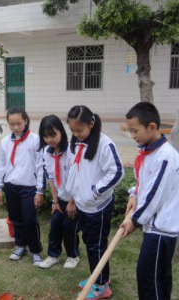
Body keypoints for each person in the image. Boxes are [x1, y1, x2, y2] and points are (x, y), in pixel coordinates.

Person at [120, 102, 179, 300]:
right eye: (130, 131)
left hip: (161, 229)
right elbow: (143, 182)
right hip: (155, 226)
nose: (133, 135)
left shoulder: (165, 157)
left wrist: (134, 219)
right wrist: (133, 194)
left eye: (135, 130)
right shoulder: (148, 151)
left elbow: (155, 194)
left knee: (149, 278)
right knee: (158, 277)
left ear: (152, 127)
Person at [65, 105, 124, 299]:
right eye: (72, 130)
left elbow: (116, 172)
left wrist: (95, 191)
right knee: (89, 241)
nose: (76, 134)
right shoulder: (76, 143)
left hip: (97, 206)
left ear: (91, 123)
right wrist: (72, 198)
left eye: (79, 130)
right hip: (82, 204)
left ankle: (101, 286)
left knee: (96, 245)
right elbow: (75, 172)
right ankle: (97, 276)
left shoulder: (104, 144)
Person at [0, 107, 44, 266]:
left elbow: (40, 166)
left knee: (29, 219)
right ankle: (20, 245)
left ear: (26, 121)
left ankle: (35, 250)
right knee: (15, 219)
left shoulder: (35, 140)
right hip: (11, 186)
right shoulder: (5, 142)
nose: (15, 127)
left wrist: (39, 190)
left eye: (19, 123)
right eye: (12, 124)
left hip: (29, 186)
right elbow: (1, 165)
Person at [37, 115, 80, 270]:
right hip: (59, 198)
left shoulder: (71, 151)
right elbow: (50, 178)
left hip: (73, 199)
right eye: (46, 136)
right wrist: (55, 201)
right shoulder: (47, 153)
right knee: (55, 226)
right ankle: (53, 255)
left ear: (61, 132)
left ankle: (73, 255)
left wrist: (72, 202)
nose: (50, 139)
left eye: (53, 134)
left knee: (69, 228)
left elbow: (77, 179)